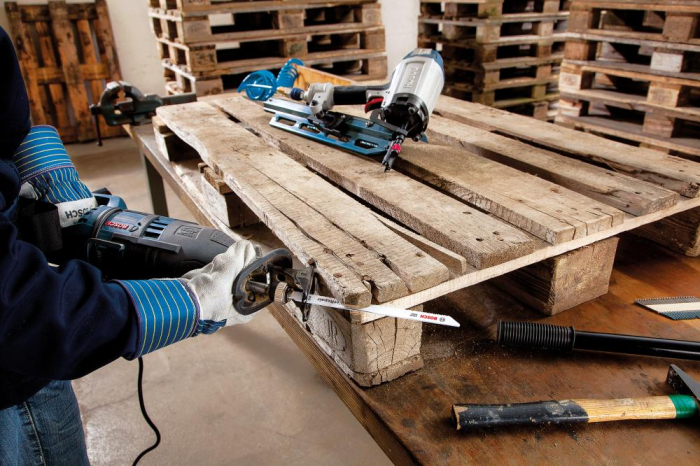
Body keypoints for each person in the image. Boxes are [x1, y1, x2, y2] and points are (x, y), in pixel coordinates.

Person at [0, 26, 262, 465]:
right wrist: (192, 302)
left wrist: (42, 165)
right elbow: (17, 309)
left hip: (34, 368)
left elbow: (8, 119)